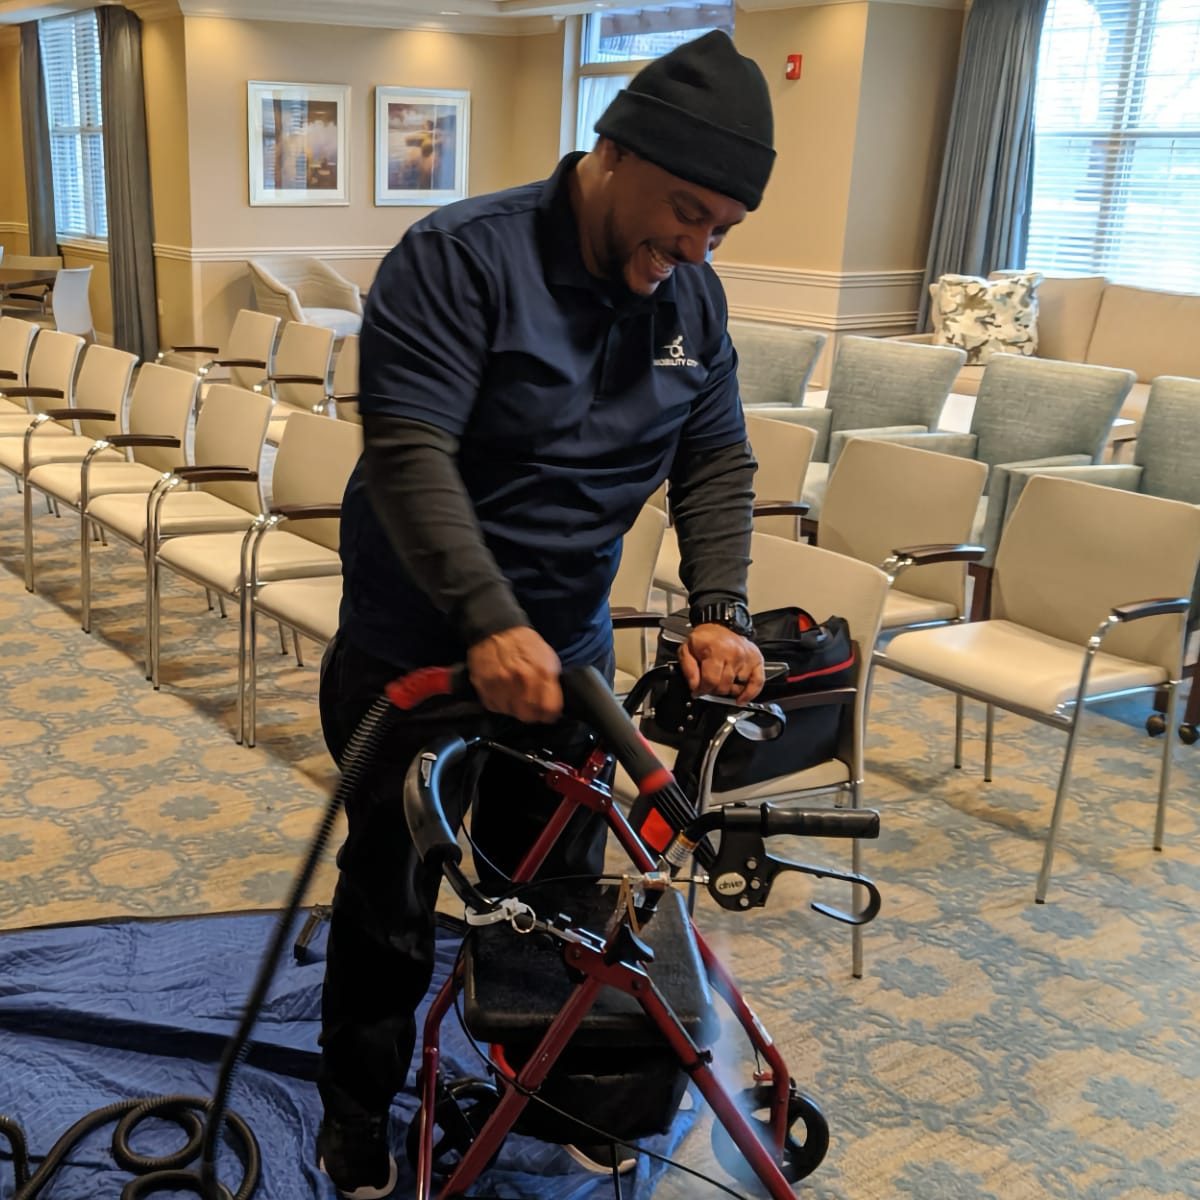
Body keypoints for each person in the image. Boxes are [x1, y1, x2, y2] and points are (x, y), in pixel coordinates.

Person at [317, 30, 775, 1199]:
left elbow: (715, 458)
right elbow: (409, 451)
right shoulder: (459, 260)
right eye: (684, 212)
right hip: (417, 651)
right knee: (391, 892)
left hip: (562, 659)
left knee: (560, 893)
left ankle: (563, 1087)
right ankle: (358, 1111)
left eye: (720, 228)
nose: (694, 246)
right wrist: (484, 620)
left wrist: (717, 607)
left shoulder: (693, 297)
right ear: (611, 153)